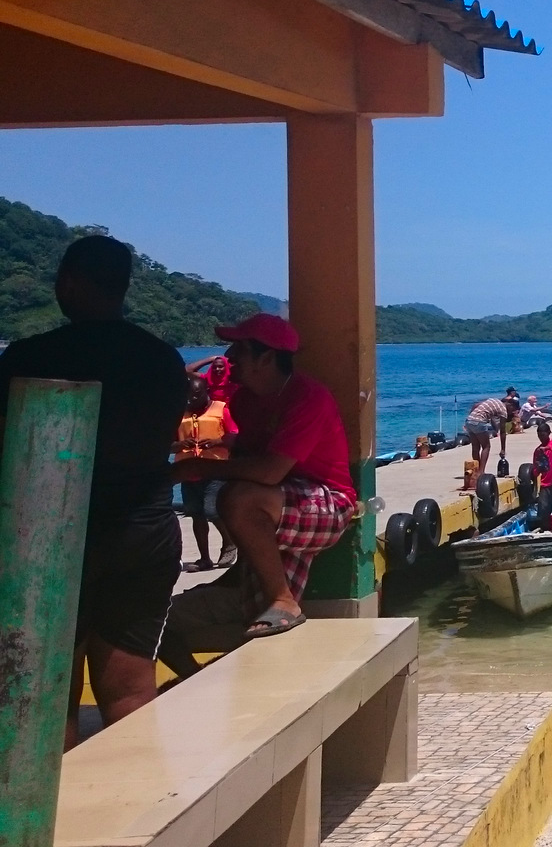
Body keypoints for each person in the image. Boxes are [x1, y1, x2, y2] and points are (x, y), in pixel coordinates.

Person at [0, 235, 188, 746]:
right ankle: (142, 811)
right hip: (145, 530)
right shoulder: (163, 360)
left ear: (70, 282)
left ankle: (51, 819)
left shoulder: (30, 357)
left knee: (48, 688)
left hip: (54, 534)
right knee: (129, 686)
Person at [169, 313, 354, 639]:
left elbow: (270, 472)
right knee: (224, 613)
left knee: (239, 498)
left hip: (330, 504)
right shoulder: (243, 402)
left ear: (265, 357)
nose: (229, 358)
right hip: (279, 504)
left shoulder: (307, 397)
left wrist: (196, 467)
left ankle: (283, 601)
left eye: (238, 350)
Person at [176, 372, 238, 573]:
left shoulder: (221, 410)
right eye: (188, 395)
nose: (191, 399)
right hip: (189, 472)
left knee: (212, 510)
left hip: (215, 470)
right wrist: (179, 445)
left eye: (196, 394)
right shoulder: (180, 414)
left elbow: (235, 437)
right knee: (196, 514)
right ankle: (204, 559)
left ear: (206, 392)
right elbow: (165, 445)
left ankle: (229, 543)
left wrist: (216, 442)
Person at [464, 393, 512, 474]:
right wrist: (503, 449)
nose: (512, 412)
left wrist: (470, 419)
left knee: (475, 447)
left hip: (469, 420)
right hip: (479, 422)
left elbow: (476, 405)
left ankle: (477, 470)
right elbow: (503, 431)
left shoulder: (494, 400)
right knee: (486, 446)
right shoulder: (504, 411)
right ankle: (481, 472)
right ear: (511, 406)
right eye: (513, 410)